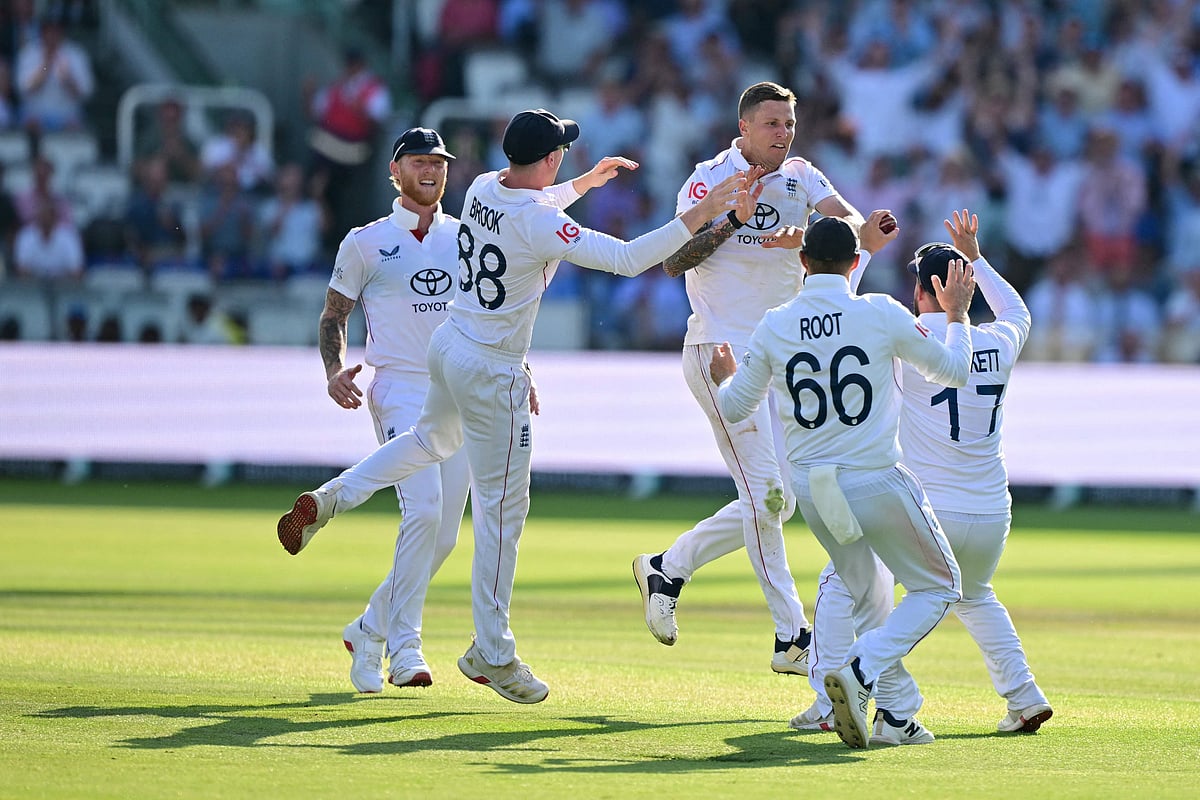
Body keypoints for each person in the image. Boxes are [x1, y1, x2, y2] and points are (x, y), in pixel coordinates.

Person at [276, 108, 750, 704]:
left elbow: (536, 205)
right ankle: (492, 653)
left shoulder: (481, 187)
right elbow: (629, 259)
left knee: (427, 443)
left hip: (450, 346)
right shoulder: (534, 221)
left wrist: (582, 186)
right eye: (562, 155)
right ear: (549, 159)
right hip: (493, 366)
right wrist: (701, 214)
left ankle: (332, 498)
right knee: (502, 514)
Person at [709, 215, 976, 749]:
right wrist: (958, 316)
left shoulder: (775, 322)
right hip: (875, 477)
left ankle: (896, 715)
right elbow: (953, 371)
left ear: (802, 262)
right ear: (856, 262)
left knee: (869, 598)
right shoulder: (877, 311)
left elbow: (737, 407)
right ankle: (861, 670)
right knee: (941, 586)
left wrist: (724, 379)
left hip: (814, 487)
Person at [632, 81, 865, 679]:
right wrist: (734, 221)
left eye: (789, 124)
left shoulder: (803, 178)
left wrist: (820, 237)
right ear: (744, 131)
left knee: (777, 500)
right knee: (768, 496)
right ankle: (792, 636)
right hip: (720, 354)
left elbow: (852, 226)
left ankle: (669, 564)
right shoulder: (712, 179)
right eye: (771, 124)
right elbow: (674, 259)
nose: (783, 134)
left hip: (780, 358)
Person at [793, 209, 1053, 742]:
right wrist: (976, 259)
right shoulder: (999, 341)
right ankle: (1024, 698)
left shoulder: (902, 336)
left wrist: (856, 254)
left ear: (919, 291)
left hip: (925, 511)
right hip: (990, 511)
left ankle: (850, 696)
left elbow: (838, 314)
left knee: (844, 584)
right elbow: (1017, 309)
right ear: (964, 288)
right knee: (976, 596)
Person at [320, 127, 472, 693]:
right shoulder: (365, 242)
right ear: (395, 171)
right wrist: (334, 369)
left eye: (439, 162)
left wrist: (518, 370)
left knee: (446, 537)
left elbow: (491, 316)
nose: (431, 171)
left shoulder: (465, 237)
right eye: (419, 162)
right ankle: (405, 648)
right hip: (401, 389)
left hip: (460, 392)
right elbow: (334, 315)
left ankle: (368, 628)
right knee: (425, 511)